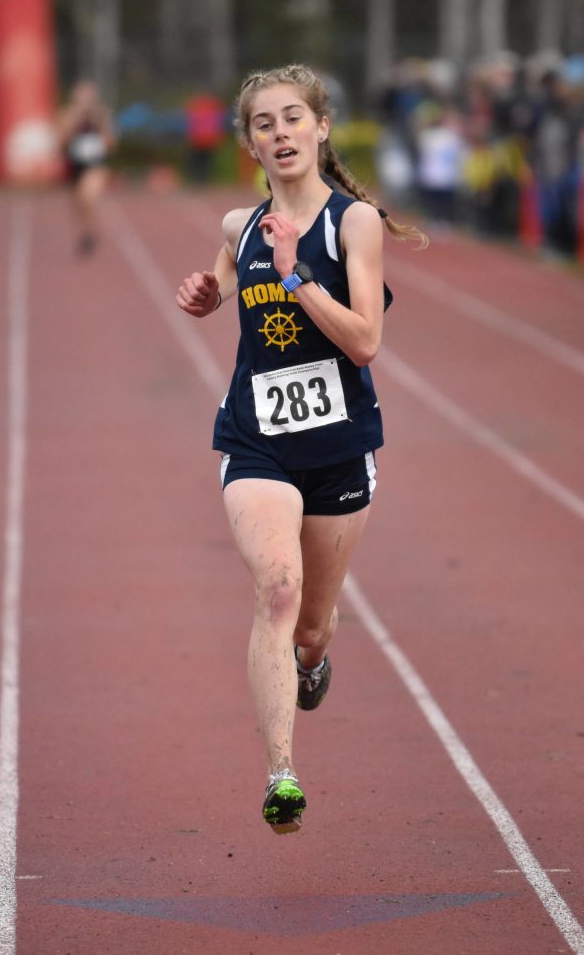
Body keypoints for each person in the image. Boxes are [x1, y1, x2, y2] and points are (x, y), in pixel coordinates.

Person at [176, 64, 426, 835]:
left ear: (321, 128)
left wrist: (295, 279)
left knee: (311, 625)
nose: (280, 133)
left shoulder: (352, 224)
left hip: (339, 447)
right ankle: (281, 772)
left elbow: (365, 343)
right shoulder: (237, 226)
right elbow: (220, 286)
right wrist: (206, 295)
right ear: (250, 144)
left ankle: (312, 663)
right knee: (277, 587)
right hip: (256, 440)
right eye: (263, 123)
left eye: (293, 118)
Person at [56, 80, 116, 255]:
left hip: (96, 164)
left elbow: (111, 143)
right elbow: (61, 141)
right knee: (78, 203)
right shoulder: (67, 115)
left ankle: (89, 234)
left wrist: (101, 128)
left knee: (88, 196)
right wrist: (74, 120)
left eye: (88, 97)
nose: (85, 101)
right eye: (82, 97)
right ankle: (86, 231)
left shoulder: (102, 115)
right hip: (75, 165)